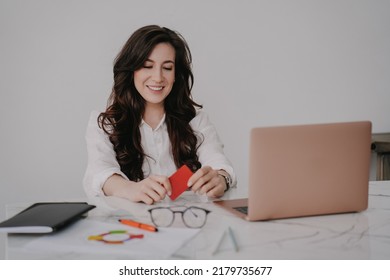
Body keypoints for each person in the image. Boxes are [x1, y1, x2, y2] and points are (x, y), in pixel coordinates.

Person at [83, 25, 236, 205]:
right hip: (131, 225)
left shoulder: (195, 119)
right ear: (131, 71)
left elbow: (219, 162)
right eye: (147, 66)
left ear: (176, 75)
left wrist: (221, 178)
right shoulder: (105, 123)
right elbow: (100, 173)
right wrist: (130, 188)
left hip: (187, 223)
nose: (158, 77)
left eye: (167, 68)